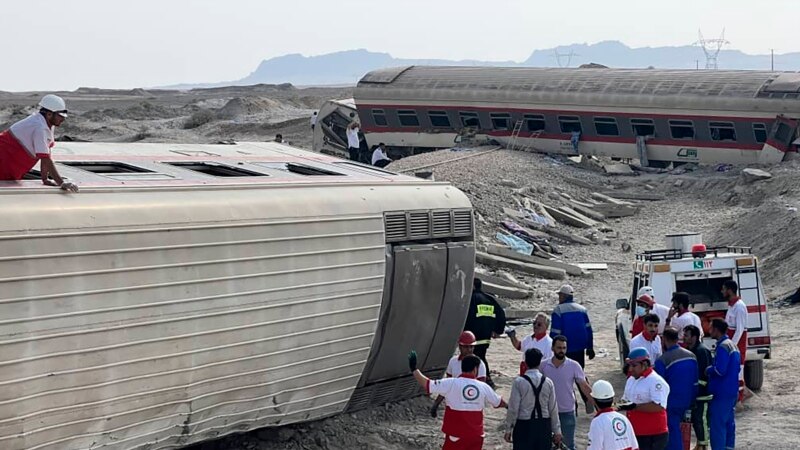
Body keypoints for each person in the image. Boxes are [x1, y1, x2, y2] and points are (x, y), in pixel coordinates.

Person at [409, 351, 506, 450]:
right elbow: (498, 402)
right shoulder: (484, 387)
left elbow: (427, 384)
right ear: (475, 369)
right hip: (476, 436)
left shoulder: (451, 383)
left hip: (456, 435)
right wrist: (509, 406)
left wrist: (414, 369)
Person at [0, 94, 78, 192]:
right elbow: (45, 158)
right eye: (60, 116)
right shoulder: (39, 127)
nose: (63, 119)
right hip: (4, 160)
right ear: (49, 114)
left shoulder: (47, 123)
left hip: (11, 163)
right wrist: (61, 182)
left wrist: (45, 179)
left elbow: (46, 152)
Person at [541, 335, 594, 450]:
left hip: (567, 412)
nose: (562, 351)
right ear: (553, 348)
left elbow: (584, 386)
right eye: (559, 348)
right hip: (547, 412)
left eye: (564, 348)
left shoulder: (574, 366)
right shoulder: (543, 366)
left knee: (568, 445)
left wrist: (598, 404)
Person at [504, 348, 562, 450]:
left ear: (525, 362)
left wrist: (508, 429)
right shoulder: (548, 382)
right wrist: (557, 431)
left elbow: (513, 408)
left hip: (524, 426)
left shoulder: (519, 382)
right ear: (540, 362)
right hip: (543, 426)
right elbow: (553, 409)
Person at [550, 284, 595, 412]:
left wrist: (552, 348)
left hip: (563, 350)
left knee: (565, 378)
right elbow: (588, 329)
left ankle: (572, 405)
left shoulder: (558, 310)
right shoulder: (582, 309)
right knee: (580, 375)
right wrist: (590, 347)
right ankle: (588, 400)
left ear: (564, 296)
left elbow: (555, 332)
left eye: (560, 295)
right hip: (580, 349)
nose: (559, 297)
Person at [654, 327, 698, 450]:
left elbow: (659, 386)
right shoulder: (691, 356)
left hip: (671, 402)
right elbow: (695, 381)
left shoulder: (662, 360)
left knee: (673, 432)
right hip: (687, 400)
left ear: (664, 339)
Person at [620, 347, 670, 450]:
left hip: (653, 435)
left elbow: (659, 406)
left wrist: (634, 407)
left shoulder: (656, 382)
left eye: (634, 366)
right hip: (635, 432)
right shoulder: (631, 379)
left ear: (645, 364)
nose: (630, 369)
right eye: (629, 366)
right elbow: (625, 399)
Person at [430, 331, 488, 417]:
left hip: (470, 404)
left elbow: (482, 389)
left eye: (471, 347)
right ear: (460, 346)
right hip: (454, 404)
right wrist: (436, 403)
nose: (469, 349)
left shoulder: (479, 364)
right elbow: (447, 385)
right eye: (466, 347)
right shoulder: (453, 362)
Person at [464, 278, 506, 389]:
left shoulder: (471, 299)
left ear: (473, 286)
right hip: (486, 336)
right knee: (480, 355)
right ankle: (483, 379)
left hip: (473, 336)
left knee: (477, 356)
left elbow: (466, 316)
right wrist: (498, 330)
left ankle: (485, 380)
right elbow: (501, 315)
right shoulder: (490, 299)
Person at [706, 318, 740, 450]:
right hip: (732, 391)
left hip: (722, 392)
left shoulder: (722, 347)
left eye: (710, 328)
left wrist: (708, 369)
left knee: (717, 426)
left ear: (716, 329)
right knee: (729, 424)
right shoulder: (732, 344)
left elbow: (720, 370)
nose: (709, 330)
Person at [587, 380, 639, 450]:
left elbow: (594, 448)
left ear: (593, 400)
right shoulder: (623, 418)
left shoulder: (597, 422)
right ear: (612, 398)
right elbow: (634, 446)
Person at [684, 325, 713, 450]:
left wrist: (697, 387)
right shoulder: (691, 351)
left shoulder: (701, 351)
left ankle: (703, 445)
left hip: (702, 393)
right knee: (696, 420)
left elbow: (705, 374)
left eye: (686, 335)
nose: (684, 337)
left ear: (694, 337)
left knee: (701, 420)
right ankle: (700, 443)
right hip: (694, 393)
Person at [722, 280, 748, 403]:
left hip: (737, 346)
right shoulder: (732, 305)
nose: (722, 291)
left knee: (739, 372)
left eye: (723, 289)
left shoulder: (739, 306)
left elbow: (740, 329)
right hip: (732, 344)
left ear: (730, 290)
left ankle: (739, 399)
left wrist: (731, 346)